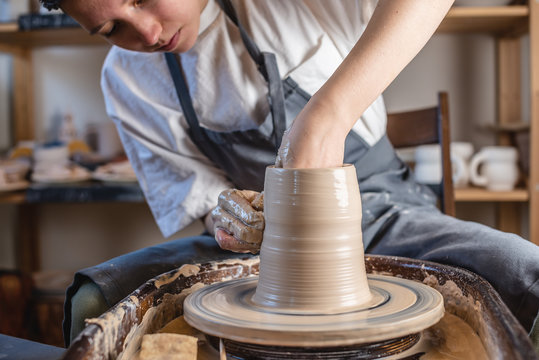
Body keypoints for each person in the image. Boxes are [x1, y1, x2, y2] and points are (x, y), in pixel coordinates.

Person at [41, 0, 539, 350]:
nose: (146, 32)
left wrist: (328, 114)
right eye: (111, 31)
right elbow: (204, 199)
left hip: (386, 216)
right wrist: (233, 217)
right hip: (262, 245)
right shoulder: (127, 79)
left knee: (525, 271)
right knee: (97, 299)